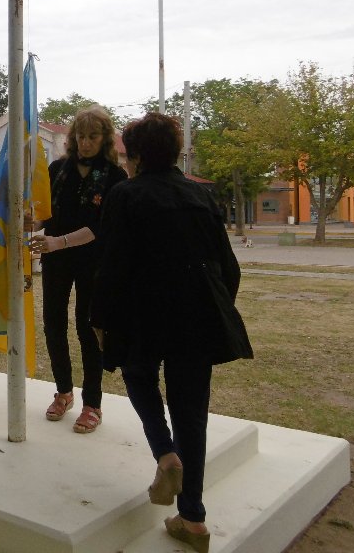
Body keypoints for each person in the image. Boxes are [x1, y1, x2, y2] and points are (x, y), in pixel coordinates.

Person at [91, 113, 252, 553]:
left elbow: (113, 264)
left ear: (138, 155)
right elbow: (227, 265)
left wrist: (100, 317)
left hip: (144, 312)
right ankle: (194, 520)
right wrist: (218, 305)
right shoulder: (198, 196)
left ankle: (165, 453)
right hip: (197, 312)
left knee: (138, 375)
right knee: (192, 413)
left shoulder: (126, 195)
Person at [29, 105, 127, 433]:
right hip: (56, 259)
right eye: (80, 136)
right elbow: (46, 212)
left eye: (92, 136)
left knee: (89, 329)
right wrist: (34, 221)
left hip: (93, 262)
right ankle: (64, 392)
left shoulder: (115, 176)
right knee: (53, 324)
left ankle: (93, 404)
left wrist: (57, 241)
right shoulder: (58, 168)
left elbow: (101, 226)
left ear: (105, 139)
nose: (85, 143)